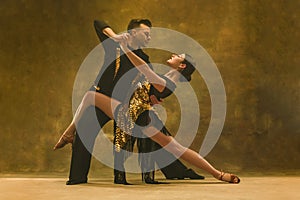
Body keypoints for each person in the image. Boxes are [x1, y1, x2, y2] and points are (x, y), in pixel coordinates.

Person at [55, 35, 240, 184]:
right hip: (141, 115)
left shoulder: (166, 81)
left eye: (178, 56)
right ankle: (218, 174)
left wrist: (126, 49)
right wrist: (152, 98)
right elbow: (148, 90)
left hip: (130, 115)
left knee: (90, 97)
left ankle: (68, 134)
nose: (174, 54)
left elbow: (143, 69)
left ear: (182, 65)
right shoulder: (167, 80)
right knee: (177, 149)